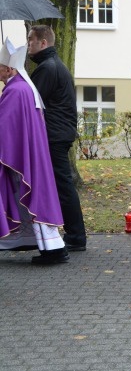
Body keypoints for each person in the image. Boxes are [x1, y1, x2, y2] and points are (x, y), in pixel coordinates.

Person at [0, 38, 69, 264]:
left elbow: (5, 126)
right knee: (32, 198)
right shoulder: (23, 86)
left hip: (23, 155)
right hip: (31, 154)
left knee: (32, 198)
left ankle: (53, 251)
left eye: (0, 68)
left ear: (10, 68)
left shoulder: (16, 90)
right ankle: (45, 245)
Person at [27, 25, 86, 252]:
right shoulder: (54, 65)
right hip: (59, 133)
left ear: (43, 43)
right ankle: (73, 234)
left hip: (53, 136)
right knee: (62, 184)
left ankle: (76, 236)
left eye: (31, 40)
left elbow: (31, 103)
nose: (28, 43)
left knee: (62, 185)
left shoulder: (47, 69)